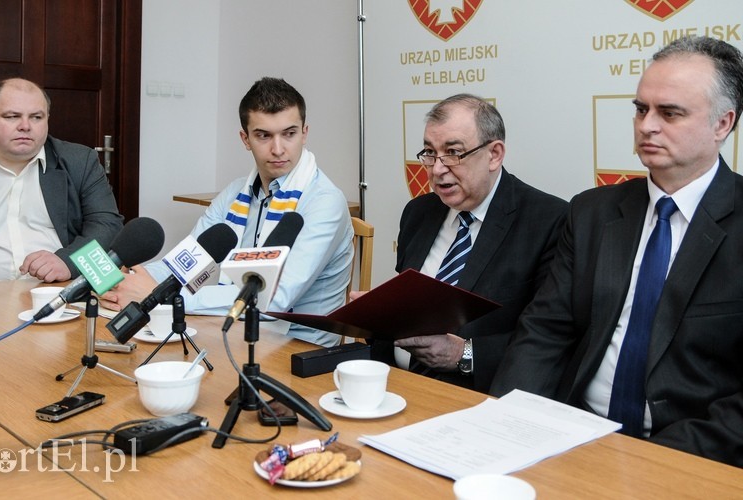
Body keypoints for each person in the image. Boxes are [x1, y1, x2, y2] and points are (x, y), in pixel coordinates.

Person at [491, 36, 743, 467]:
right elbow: (545, 332)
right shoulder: (592, 212)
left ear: (723, 124)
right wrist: (503, 424)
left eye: (670, 113)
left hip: (690, 457)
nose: (646, 125)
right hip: (574, 437)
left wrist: (650, 465)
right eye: (641, 109)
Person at [101, 77, 353, 347]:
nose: (278, 149)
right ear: (245, 138)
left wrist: (160, 295)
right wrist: (122, 282)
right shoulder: (235, 193)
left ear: (305, 133)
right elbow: (185, 264)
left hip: (299, 349)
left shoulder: (325, 202)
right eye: (263, 135)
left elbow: (274, 298)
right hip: (237, 333)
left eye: (289, 134)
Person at [366, 94, 567, 393]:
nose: (437, 170)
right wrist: (374, 313)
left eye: (453, 153)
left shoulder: (548, 221)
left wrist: (464, 355)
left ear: (494, 154)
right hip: (389, 386)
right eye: (430, 153)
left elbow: (548, 341)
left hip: (475, 399)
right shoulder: (418, 212)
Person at [0, 78, 123, 285]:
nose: (25, 126)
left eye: (36, 117)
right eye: (12, 116)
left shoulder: (79, 162)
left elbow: (107, 224)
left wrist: (68, 262)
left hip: (58, 292)